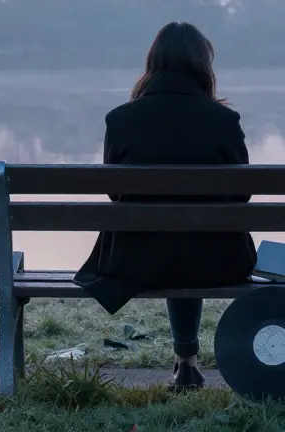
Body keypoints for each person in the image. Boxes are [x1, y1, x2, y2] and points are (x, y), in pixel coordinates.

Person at [73, 21, 256, 392]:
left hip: (136, 258)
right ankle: (187, 363)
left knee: (170, 241)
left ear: (152, 63)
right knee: (187, 242)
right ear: (203, 66)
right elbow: (243, 194)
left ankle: (185, 362)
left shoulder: (121, 119)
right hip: (217, 259)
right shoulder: (223, 120)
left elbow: (114, 193)